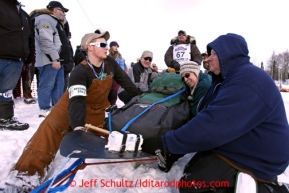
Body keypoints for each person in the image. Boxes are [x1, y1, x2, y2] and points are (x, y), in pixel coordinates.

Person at [142, 33, 289, 192]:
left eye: (214, 54)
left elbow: (211, 125)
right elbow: (203, 117)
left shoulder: (248, 79)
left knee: (193, 186)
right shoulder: (222, 81)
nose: (208, 59)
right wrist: (176, 149)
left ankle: (267, 189)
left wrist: (165, 143)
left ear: (229, 54)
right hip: (239, 142)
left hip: (259, 157)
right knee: (194, 171)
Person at [4, 29, 143, 192]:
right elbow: (76, 101)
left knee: (103, 140)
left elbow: (127, 84)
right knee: (49, 130)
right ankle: (25, 175)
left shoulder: (110, 64)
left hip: (96, 111)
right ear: (89, 47)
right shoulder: (79, 71)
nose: (107, 47)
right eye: (102, 44)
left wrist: (143, 98)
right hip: (69, 105)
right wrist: (78, 127)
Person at [0, 0, 35, 130]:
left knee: (6, 91)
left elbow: (30, 38)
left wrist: (31, 57)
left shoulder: (24, 15)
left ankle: (5, 118)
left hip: (16, 59)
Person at [33, 1, 71, 118]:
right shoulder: (44, 19)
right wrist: (54, 58)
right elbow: (46, 40)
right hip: (49, 60)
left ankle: (56, 107)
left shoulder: (56, 22)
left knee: (59, 85)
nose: (64, 14)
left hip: (58, 60)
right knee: (47, 84)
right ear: (55, 10)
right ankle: (44, 109)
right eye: (62, 11)